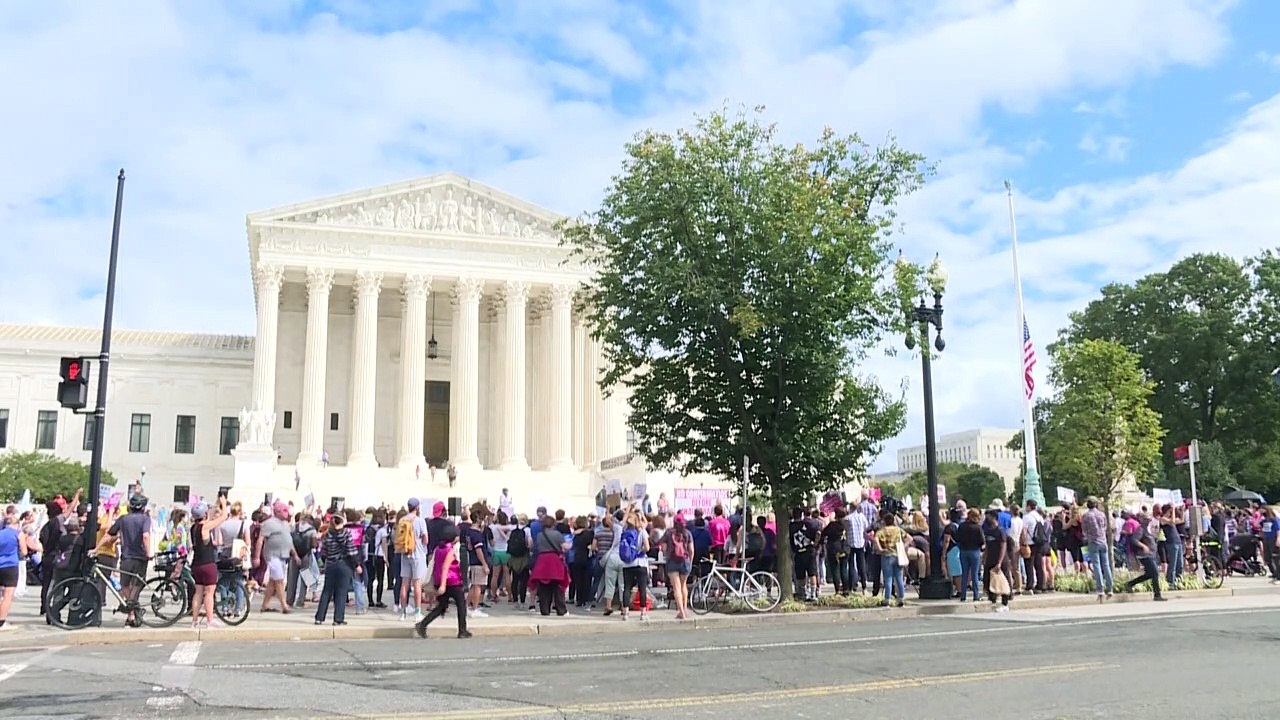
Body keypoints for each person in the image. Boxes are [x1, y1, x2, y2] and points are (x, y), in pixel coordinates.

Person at [96, 494, 152, 627]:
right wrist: (148, 552)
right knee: (137, 585)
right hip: (140, 557)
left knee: (125, 585)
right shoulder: (145, 519)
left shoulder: (123, 519)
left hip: (126, 557)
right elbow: (145, 536)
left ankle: (131, 613)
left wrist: (96, 548)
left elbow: (108, 534)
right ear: (143, 507)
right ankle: (134, 608)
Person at [414, 524, 470, 639]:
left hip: (439, 580)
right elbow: (445, 567)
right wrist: (443, 585)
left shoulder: (438, 548)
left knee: (441, 606)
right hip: (452, 581)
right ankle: (462, 630)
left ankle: (423, 624)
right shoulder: (451, 550)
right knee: (461, 605)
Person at [315, 513, 361, 625]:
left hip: (330, 564)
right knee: (341, 592)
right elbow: (351, 551)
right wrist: (356, 565)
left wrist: (324, 562)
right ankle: (338, 619)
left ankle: (319, 617)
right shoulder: (346, 533)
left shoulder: (327, 534)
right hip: (344, 564)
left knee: (327, 591)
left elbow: (323, 552)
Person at [189, 501, 229, 628]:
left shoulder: (193, 528)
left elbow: (208, 517)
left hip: (196, 563)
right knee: (209, 592)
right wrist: (223, 504)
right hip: (208, 563)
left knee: (198, 592)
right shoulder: (205, 527)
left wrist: (214, 506)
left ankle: (194, 620)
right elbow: (223, 517)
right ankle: (210, 620)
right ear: (205, 514)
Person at [255, 501, 298, 614]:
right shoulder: (268, 523)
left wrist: (295, 555)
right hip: (272, 555)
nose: (286, 513)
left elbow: (289, 541)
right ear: (277, 512)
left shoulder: (286, 524)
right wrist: (257, 557)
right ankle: (284, 605)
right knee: (279, 580)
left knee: (273, 581)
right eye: (284, 511)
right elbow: (260, 540)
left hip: (283, 555)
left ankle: (265, 605)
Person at [396, 498, 430, 621]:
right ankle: (417, 613)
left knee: (404, 583)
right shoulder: (420, 521)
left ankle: (403, 612)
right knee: (417, 584)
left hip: (405, 553)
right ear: (417, 507)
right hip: (418, 554)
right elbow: (426, 539)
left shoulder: (402, 520)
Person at [1124, 512, 1165, 601]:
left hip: (1151, 554)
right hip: (1144, 555)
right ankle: (1157, 595)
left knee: (1150, 574)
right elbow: (1134, 540)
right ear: (1142, 520)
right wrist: (1143, 546)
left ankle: (1130, 584)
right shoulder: (1140, 529)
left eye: (1149, 519)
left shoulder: (1148, 529)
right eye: (1146, 519)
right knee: (1155, 573)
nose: (1148, 521)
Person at [0, 512, 29, 630]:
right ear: (16, 524)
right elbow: (24, 551)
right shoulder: (18, 534)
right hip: (11, 565)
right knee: (8, 595)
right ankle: (1, 622)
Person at [1081, 497, 1113, 601]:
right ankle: (1110, 588)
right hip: (1103, 541)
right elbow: (1105, 527)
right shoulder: (1102, 514)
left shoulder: (1086, 516)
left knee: (1096, 565)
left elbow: (1084, 530)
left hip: (1093, 542)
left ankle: (1100, 589)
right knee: (1106, 565)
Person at [663, 514, 694, 620]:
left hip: (672, 561)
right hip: (685, 561)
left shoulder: (668, 533)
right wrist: (690, 561)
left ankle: (681, 612)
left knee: (676, 588)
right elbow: (691, 550)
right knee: (683, 586)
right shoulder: (687, 533)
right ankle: (684, 609)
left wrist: (667, 555)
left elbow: (664, 548)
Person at [875, 512, 907, 607]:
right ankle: (901, 598)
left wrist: (880, 549)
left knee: (888, 578)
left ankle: (887, 599)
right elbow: (909, 538)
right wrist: (902, 547)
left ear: (884, 521)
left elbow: (875, 539)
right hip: (897, 555)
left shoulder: (881, 531)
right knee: (899, 578)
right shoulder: (898, 530)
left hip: (887, 555)